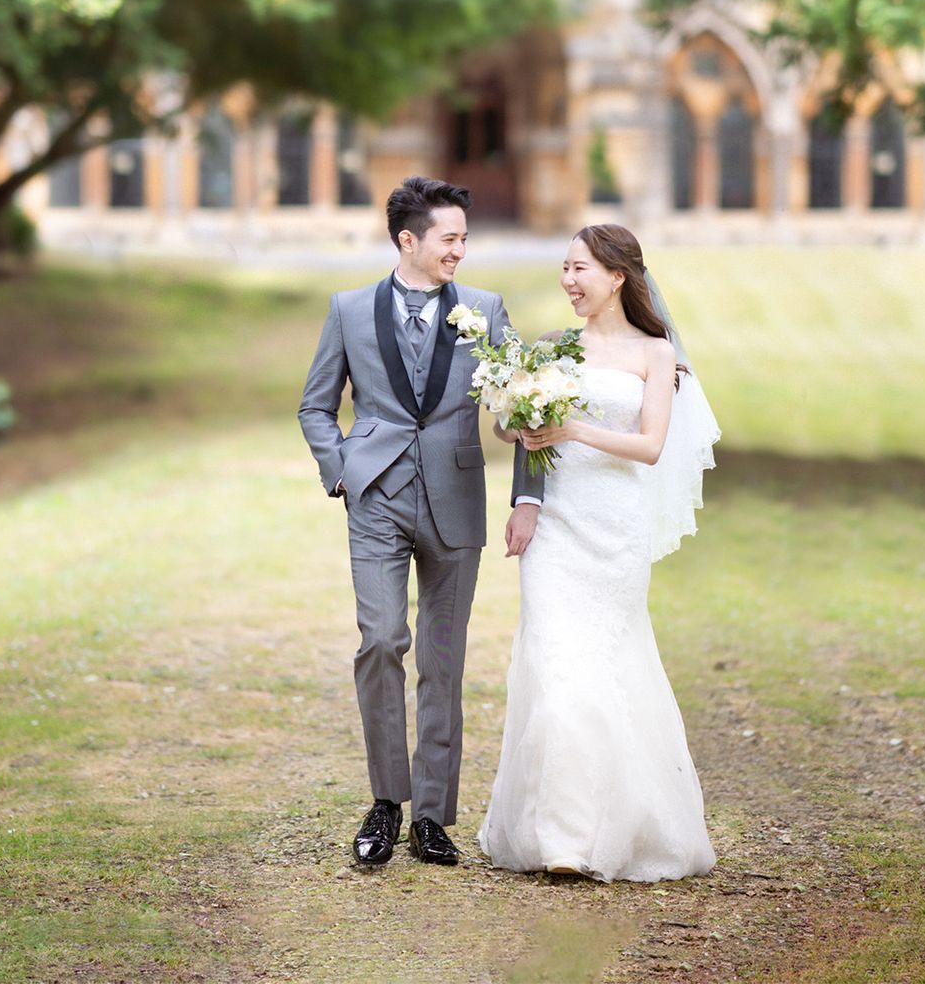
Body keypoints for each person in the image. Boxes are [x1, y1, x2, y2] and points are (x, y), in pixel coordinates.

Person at [297, 176, 543, 866]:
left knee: (442, 659)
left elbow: (526, 412)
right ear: (410, 240)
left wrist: (528, 498)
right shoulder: (348, 310)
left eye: (465, 237)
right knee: (380, 641)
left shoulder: (486, 309)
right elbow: (315, 405)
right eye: (451, 237)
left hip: (455, 505)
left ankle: (432, 814)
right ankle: (386, 800)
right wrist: (339, 467)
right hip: (375, 500)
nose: (462, 249)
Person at [477, 223, 720, 882]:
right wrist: (516, 418)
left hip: (615, 527)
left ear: (617, 276)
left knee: (605, 668)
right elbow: (513, 427)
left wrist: (574, 426)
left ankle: (622, 820)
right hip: (556, 527)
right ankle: (563, 840)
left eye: (579, 268)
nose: (568, 280)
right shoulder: (552, 347)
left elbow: (651, 446)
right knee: (556, 671)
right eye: (563, 267)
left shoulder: (656, 352)